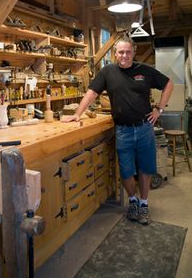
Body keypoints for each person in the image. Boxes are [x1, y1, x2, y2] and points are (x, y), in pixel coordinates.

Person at [62, 35, 173, 225]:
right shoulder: (107, 72)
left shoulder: (144, 71)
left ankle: (144, 204)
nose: (125, 56)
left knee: (146, 168)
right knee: (127, 170)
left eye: (128, 52)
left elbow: (168, 84)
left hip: (145, 128)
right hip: (123, 131)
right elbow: (91, 93)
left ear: (134, 52)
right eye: (121, 52)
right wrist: (78, 113)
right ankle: (133, 201)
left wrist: (159, 109)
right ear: (115, 53)